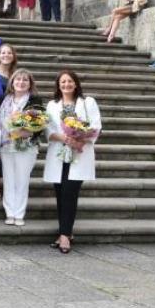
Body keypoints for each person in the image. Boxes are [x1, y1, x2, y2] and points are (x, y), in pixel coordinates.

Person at [44, 70, 101, 254]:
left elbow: (95, 126)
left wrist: (80, 140)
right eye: (63, 82)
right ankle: (66, 233)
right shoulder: (52, 105)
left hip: (79, 154)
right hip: (59, 154)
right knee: (61, 194)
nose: (66, 84)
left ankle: (64, 236)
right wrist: (64, 137)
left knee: (70, 193)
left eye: (70, 81)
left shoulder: (87, 102)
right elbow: (47, 130)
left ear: (76, 84)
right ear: (58, 85)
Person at [0, 68, 43, 227]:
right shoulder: (6, 100)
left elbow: (39, 125)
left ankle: (19, 213)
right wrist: (11, 129)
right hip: (6, 145)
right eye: (18, 79)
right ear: (12, 82)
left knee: (22, 180)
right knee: (9, 179)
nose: (21, 82)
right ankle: (9, 212)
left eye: (25, 80)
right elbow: (1, 119)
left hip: (26, 146)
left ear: (30, 84)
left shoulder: (35, 101)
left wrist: (23, 131)